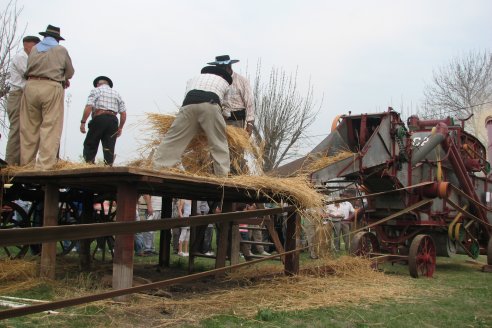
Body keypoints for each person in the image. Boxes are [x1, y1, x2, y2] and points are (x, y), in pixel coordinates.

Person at [153, 65, 232, 177]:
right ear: (222, 76)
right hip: (211, 104)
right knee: (218, 142)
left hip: (188, 104)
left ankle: (158, 170)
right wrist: (217, 125)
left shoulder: (193, 79)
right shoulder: (224, 82)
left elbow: (187, 100)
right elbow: (226, 110)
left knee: (173, 139)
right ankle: (223, 176)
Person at [20, 25, 74, 170]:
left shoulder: (34, 49)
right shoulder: (60, 50)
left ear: (44, 37)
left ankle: (26, 165)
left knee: (29, 127)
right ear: (58, 39)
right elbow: (69, 72)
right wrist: (62, 76)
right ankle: (44, 166)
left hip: (31, 86)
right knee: (50, 126)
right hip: (51, 86)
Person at [5, 35, 40, 165]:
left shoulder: (29, 57)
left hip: (25, 94)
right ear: (27, 45)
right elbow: (29, 74)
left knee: (25, 129)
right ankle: (10, 163)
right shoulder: (21, 57)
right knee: (17, 128)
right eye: (35, 46)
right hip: (18, 94)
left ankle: (21, 163)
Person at [80, 76, 127, 165]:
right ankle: (108, 167)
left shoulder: (96, 90)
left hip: (99, 118)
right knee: (109, 146)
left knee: (91, 143)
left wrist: (83, 122)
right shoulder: (117, 94)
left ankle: (89, 165)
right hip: (113, 120)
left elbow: (89, 106)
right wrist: (120, 128)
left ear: (98, 84)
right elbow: (123, 113)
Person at [207, 55, 255, 135]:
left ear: (229, 67)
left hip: (237, 121)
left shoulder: (242, 81)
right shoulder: (214, 82)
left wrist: (249, 125)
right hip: (219, 120)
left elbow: (250, 105)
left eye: (222, 69)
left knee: (235, 146)